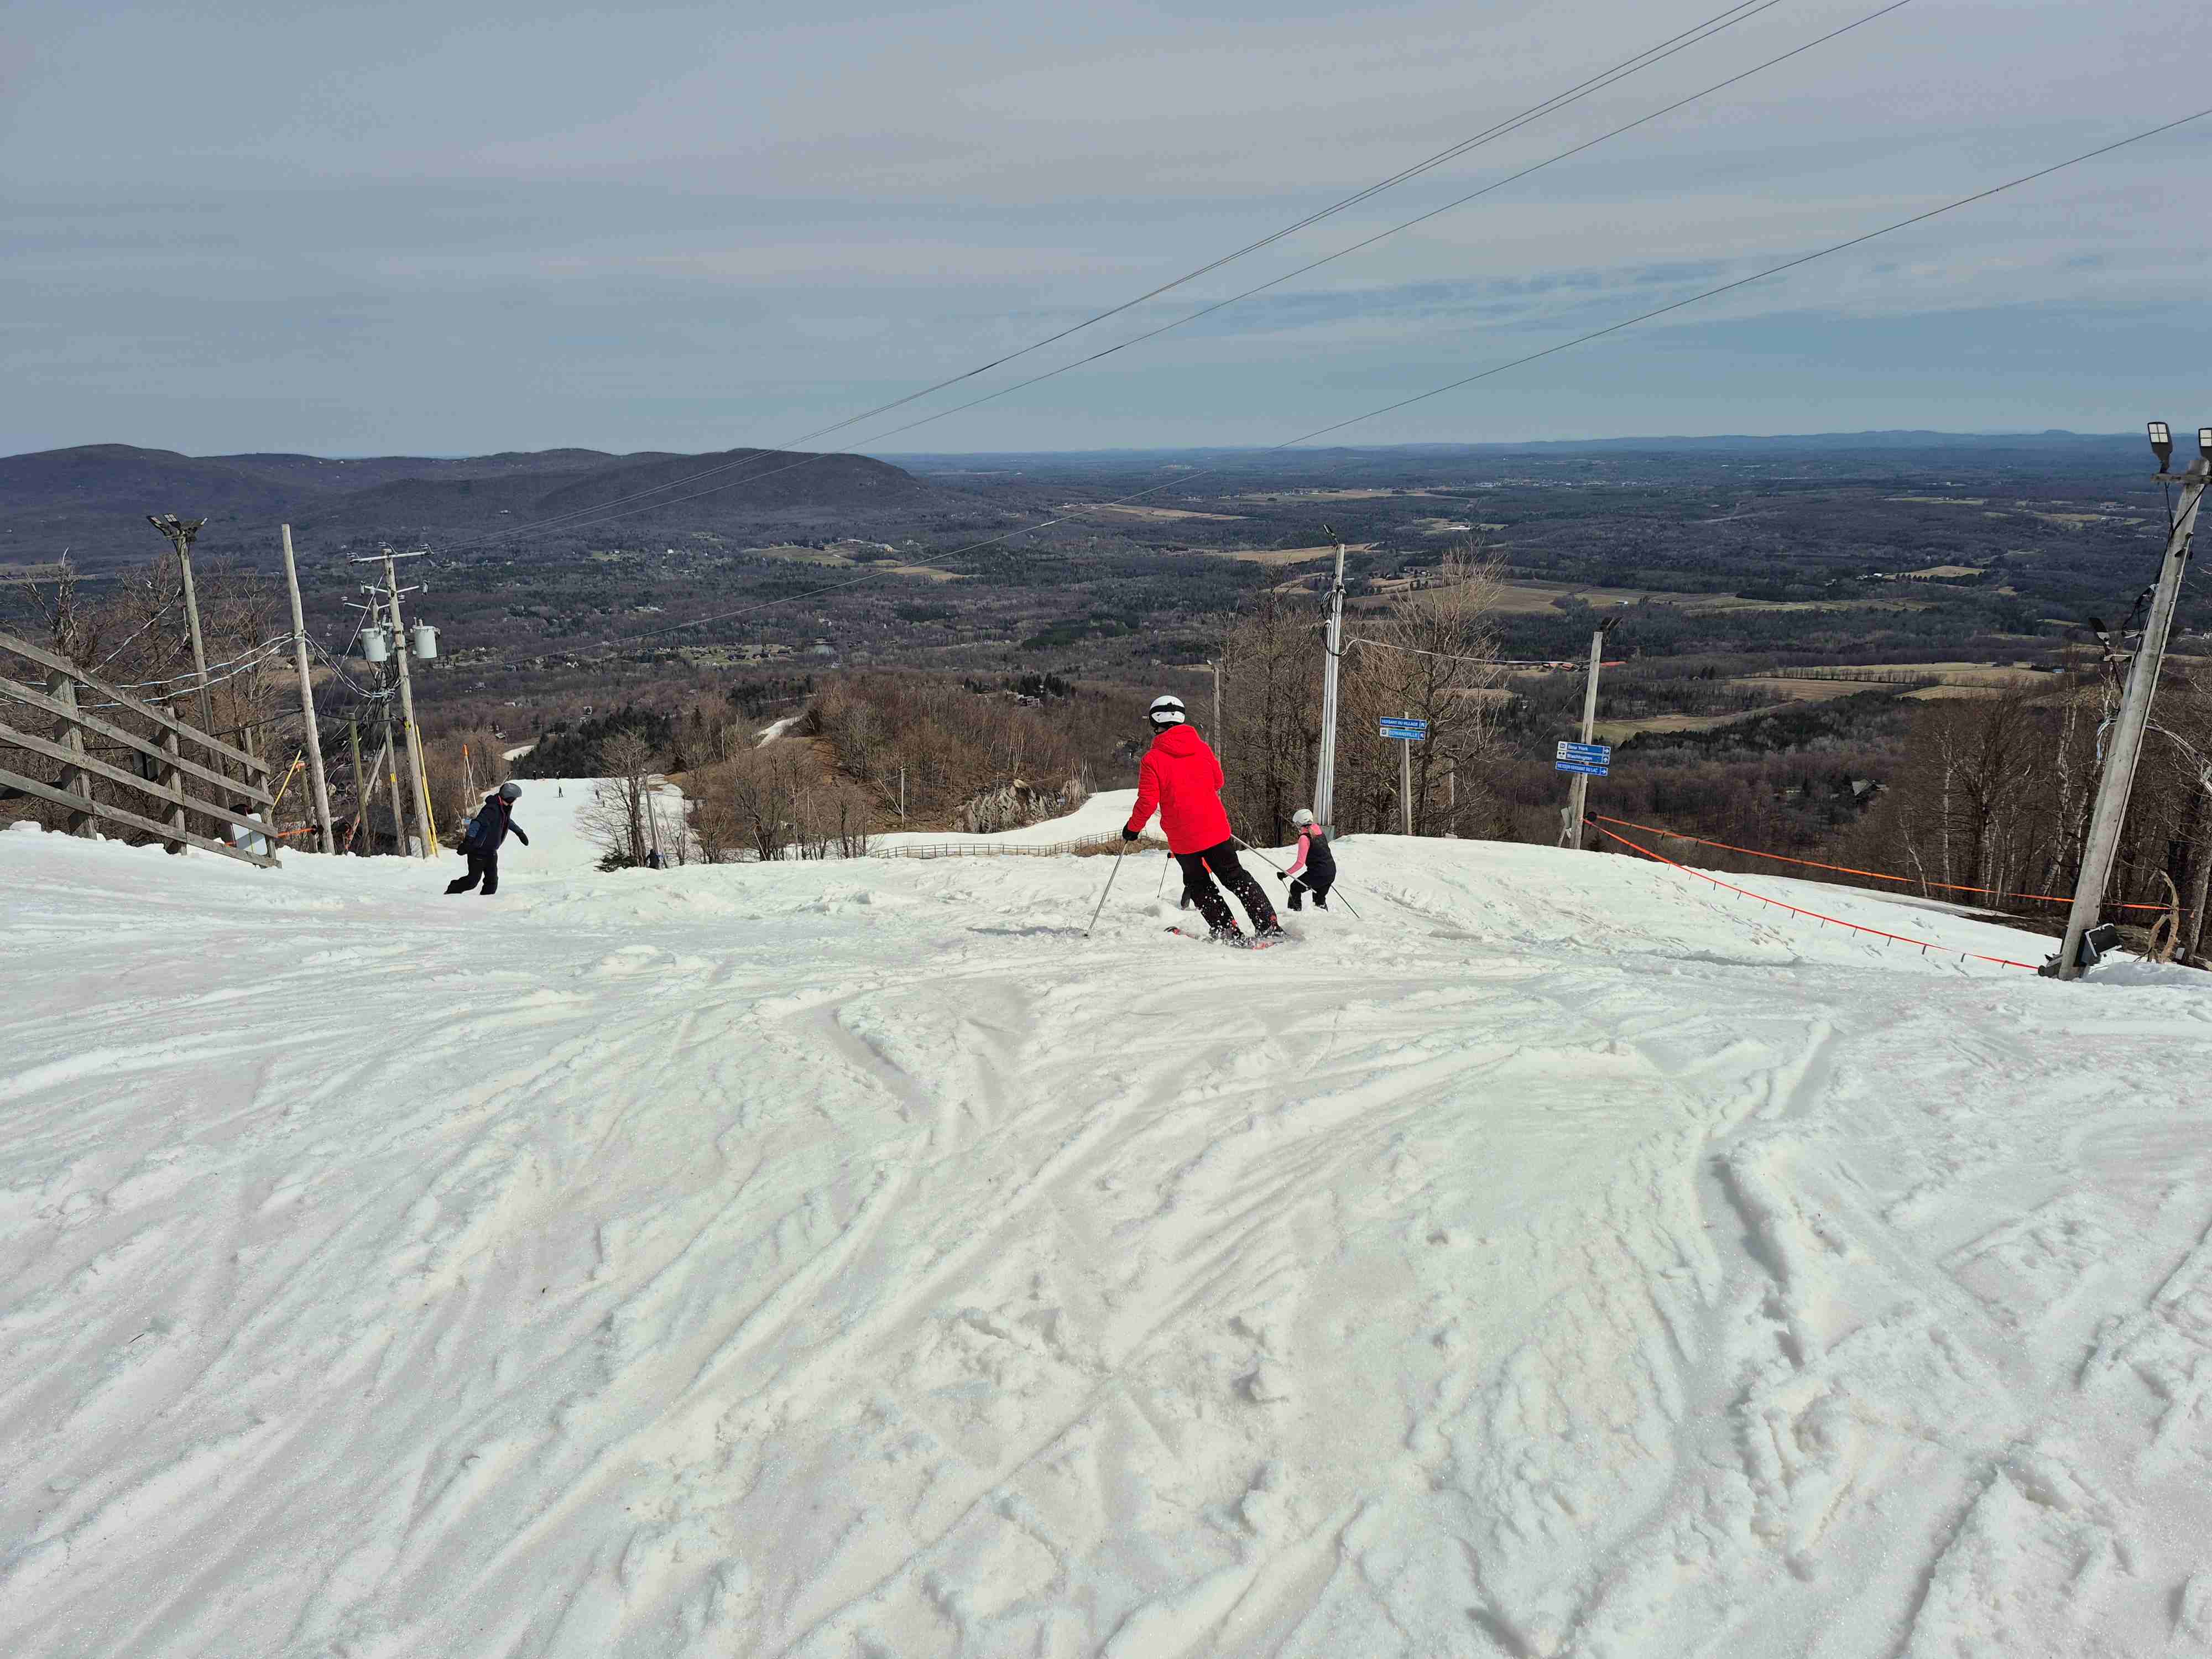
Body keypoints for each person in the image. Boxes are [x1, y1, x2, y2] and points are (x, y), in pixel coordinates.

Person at [1123, 694, 1281, 942]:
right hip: (1215, 828)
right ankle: (1268, 925)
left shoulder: (1152, 760)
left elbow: (1147, 802)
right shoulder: (1202, 749)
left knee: (1199, 883)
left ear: (1155, 722)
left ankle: (1227, 930)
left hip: (1184, 838)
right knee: (1236, 876)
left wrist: (1132, 829)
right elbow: (1218, 781)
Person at [447, 780, 528, 896]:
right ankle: (451, 891)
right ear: (509, 798)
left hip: (491, 851)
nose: (515, 801)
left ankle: (487, 903)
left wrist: (519, 832)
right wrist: (468, 842)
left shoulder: (502, 808)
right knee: (472, 882)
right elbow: (476, 823)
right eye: (514, 799)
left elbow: (506, 821)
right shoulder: (492, 809)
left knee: (492, 882)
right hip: (479, 852)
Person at [1277, 807, 1335, 911]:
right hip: (1330, 872)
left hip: (1318, 874)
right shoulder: (1319, 831)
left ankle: (1293, 914)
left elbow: (1300, 863)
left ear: (1300, 823)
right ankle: (1324, 917)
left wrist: (1285, 874)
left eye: (1296, 824)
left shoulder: (1304, 838)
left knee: (1295, 888)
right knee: (1319, 901)